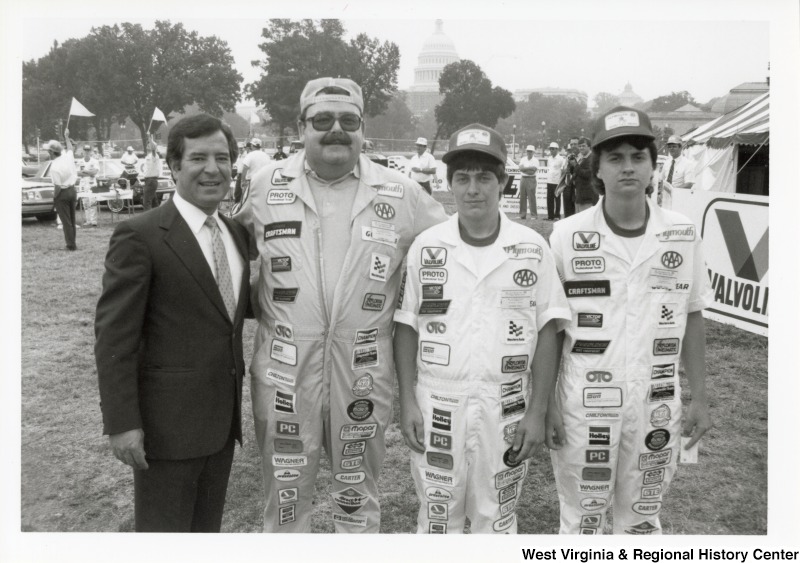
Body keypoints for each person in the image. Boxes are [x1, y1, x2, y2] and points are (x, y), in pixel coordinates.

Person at [234, 76, 447, 533]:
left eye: (348, 120)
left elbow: (453, 245)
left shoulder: (399, 191)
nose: (336, 129)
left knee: (357, 493)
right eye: (323, 119)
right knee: (286, 495)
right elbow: (224, 253)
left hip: (364, 367)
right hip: (285, 366)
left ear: (363, 128)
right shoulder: (265, 184)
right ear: (301, 126)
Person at [394, 123, 571, 534]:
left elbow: (549, 330)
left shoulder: (531, 246)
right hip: (438, 399)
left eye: (484, 177)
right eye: (463, 178)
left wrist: (537, 410)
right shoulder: (427, 246)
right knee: (438, 519)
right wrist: (407, 400)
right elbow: (406, 325)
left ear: (504, 182)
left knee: (496, 519)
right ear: (450, 183)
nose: (473, 189)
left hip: (505, 404)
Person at [546, 106, 713, 535]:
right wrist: (545, 403)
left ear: (653, 167)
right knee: (582, 518)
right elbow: (549, 328)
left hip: (655, 398)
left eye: (638, 157)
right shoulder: (566, 234)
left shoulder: (682, 231)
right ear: (597, 168)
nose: (628, 167)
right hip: (584, 399)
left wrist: (699, 396)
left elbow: (692, 314)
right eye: (615, 158)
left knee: (641, 518)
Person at [95, 114, 250, 532]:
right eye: (198, 158)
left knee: (205, 531)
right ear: (175, 166)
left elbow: (230, 312)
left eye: (222, 157)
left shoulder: (235, 233)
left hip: (221, 426)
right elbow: (114, 337)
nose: (213, 169)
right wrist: (123, 423)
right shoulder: (139, 235)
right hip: (166, 430)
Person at [47, 131, 78, 250]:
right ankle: (72, 242)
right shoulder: (67, 156)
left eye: (48, 151)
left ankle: (70, 245)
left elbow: (58, 186)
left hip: (63, 193)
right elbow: (70, 148)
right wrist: (67, 137)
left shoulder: (54, 167)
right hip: (72, 190)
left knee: (66, 221)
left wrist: (54, 197)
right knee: (72, 219)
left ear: (51, 152)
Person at [658, 135, 695, 209]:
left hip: (680, 200)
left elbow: (689, 184)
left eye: (674, 146)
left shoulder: (688, 164)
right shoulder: (667, 163)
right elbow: (661, 179)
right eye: (669, 146)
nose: (671, 149)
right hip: (664, 199)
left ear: (680, 147)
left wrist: (673, 190)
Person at [571, 136, 597, 212]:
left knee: (586, 222)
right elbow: (577, 172)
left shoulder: (593, 158)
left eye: (583, 146)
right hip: (579, 196)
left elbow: (588, 174)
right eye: (579, 146)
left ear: (589, 146)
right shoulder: (581, 158)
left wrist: (575, 165)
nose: (581, 148)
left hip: (588, 197)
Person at [77, 143, 100, 226]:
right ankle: (88, 220)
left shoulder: (94, 161)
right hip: (83, 184)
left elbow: (95, 172)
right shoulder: (80, 161)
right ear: (83, 151)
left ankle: (94, 221)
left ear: (90, 151)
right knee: (85, 203)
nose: (86, 152)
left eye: (88, 150)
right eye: (85, 150)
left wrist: (85, 172)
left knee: (93, 202)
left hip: (92, 183)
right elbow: (78, 173)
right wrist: (89, 173)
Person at [141, 133, 162, 211]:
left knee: (146, 202)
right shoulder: (148, 156)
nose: (148, 145)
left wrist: (149, 138)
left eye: (149, 144)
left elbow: (153, 147)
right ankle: (158, 218)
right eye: (148, 144)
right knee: (154, 202)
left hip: (151, 181)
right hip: (149, 181)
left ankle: (147, 220)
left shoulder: (154, 156)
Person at [517, 145, 538, 219]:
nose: (529, 152)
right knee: (522, 197)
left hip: (531, 179)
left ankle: (534, 215)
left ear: (533, 152)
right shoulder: (523, 159)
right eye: (528, 151)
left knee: (531, 197)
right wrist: (529, 168)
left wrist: (524, 169)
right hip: (523, 179)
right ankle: (522, 215)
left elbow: (533, 172)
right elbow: (520, 168)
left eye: (530, 151)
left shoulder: (535, 160)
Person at [545, 142, 565, 220]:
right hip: (549, 181)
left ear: (557, 149)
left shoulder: (561, 159)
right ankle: (550, 216)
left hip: (557, 181)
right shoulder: (549, 159)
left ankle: (557, 215)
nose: (551, 150)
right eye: (550, 149)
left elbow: (563, 170)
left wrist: (561, 181)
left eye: (553, 149)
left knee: (557, 199)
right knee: (549, 199)